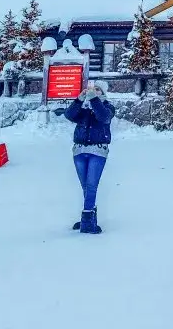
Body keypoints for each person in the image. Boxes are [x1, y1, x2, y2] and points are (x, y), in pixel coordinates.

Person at [64, 80, 114, 234]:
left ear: (103, 93)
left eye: (98, 89)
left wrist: (94, 99)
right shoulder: (83, 109)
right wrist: (79, 99)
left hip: (98, 152)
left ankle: (87, 221)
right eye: (93, 89)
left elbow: (103, 117)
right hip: (79, 151)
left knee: (92, 185)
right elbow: (69, 115)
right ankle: (90, 216)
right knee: (85, 186)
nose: (94, 91)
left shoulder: (108, 107)